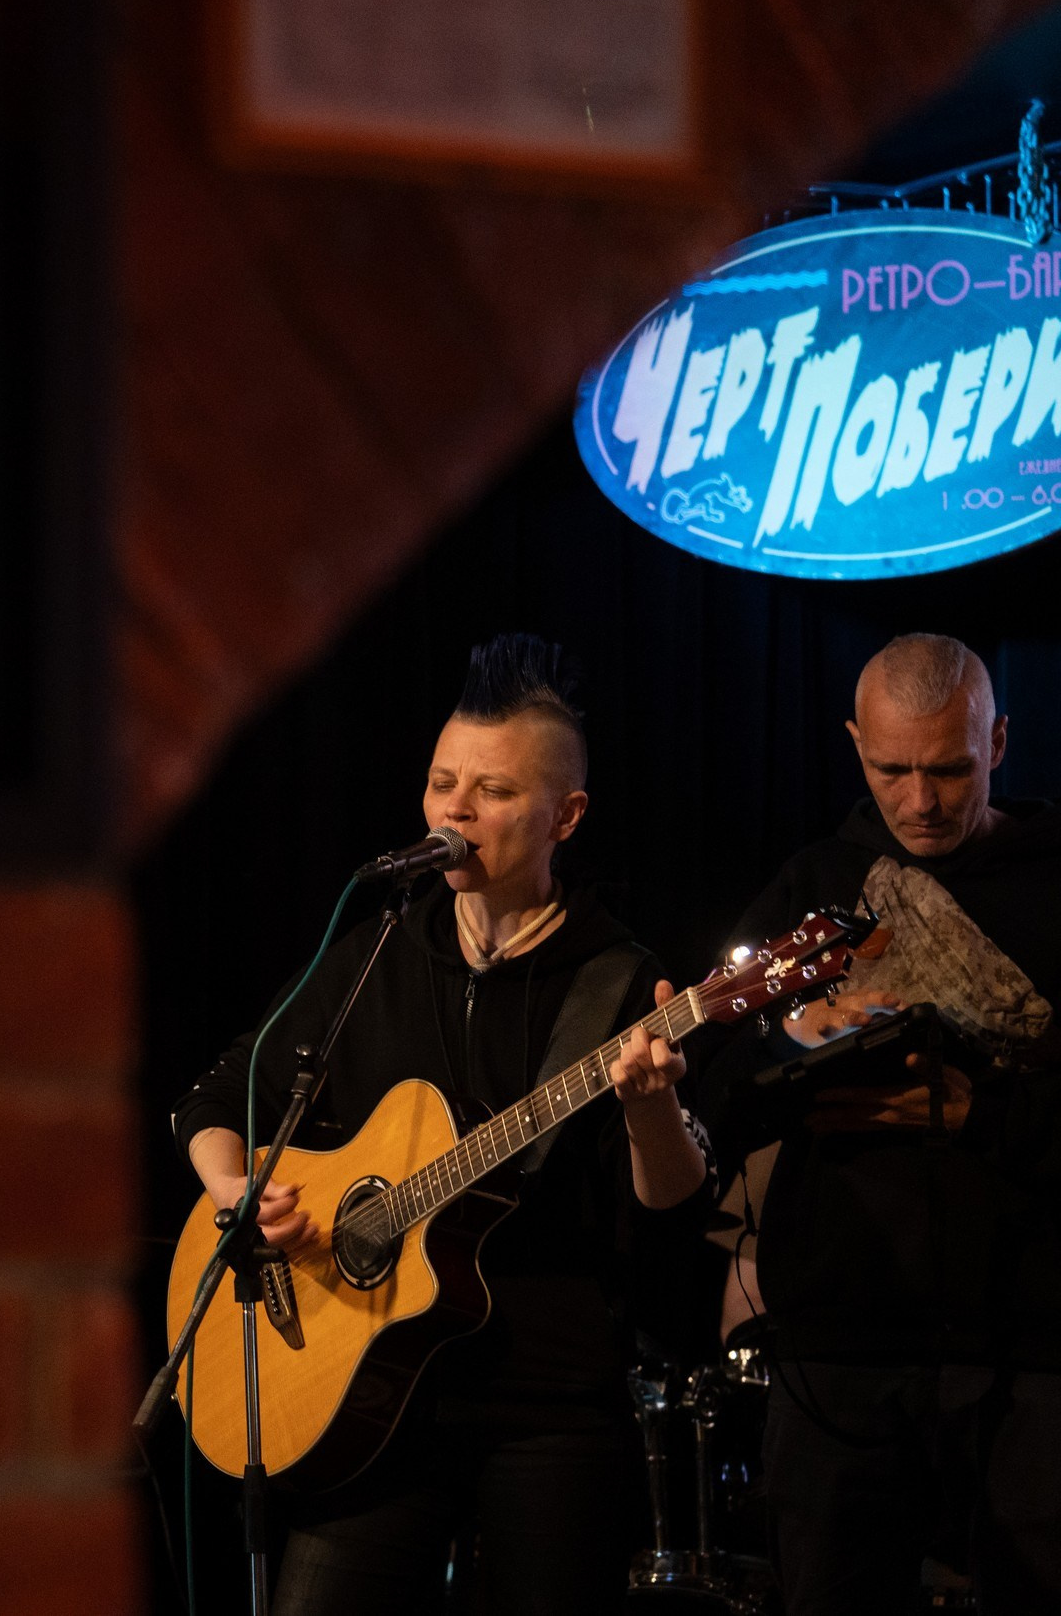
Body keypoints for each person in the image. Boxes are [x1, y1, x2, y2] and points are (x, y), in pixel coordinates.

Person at [171, 635, 710, 1616]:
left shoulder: (617, 983)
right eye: (440, 783)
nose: (455, 812)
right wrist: (239, 1194)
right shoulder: (378, 950)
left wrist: (649, 1106)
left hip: (546, 1406)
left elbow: (671, 1209)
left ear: (565, 816)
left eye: (493, 792)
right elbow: (217, 1100)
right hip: (372, 1401)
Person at [698, 633, 1061, 1616]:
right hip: (841, 1351)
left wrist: (986, 1114)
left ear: (1000, 742)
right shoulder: (820, 890)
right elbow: (716, 1095)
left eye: (949, 768)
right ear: (855, 746)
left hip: (1043, 1351)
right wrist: (787, 1052)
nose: (921, 801)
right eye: (892, 769)